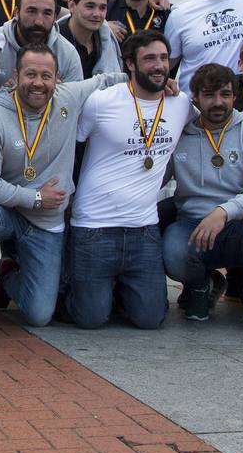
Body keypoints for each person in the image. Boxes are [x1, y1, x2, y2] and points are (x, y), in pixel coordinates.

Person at [0, 45, 125, 338]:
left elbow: (109, 79)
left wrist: (158, 84)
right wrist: (34, 197)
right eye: (30, 74)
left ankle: (10, 275)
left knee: (38, 315)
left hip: (46, 221)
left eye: (46, 76)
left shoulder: (68, 98)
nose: (38, 83)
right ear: (15, 75)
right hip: (6, 212)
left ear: (57, 79)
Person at [68, 31, 192, 330]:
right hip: (94, 228)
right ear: (131, 64)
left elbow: (216, 123)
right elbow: (71, 145)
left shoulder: (182, 104)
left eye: (163, 58)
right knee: (90, 320)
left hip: (144, 230)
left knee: (151, 319)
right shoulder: (101, 102)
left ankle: (121, 292)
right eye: (149, 58)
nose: (159, 65)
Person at [161, 64, 243, 332]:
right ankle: (202, 286)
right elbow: (156, 178)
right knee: (173, 250)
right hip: (194, 223)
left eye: (225, 95)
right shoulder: (180, 134)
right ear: (195, 98)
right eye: (209, 95)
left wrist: (224, 211)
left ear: (234, 96)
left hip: (242, 224)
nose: (218, 103)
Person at [0, 0, 84, 89]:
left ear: (54, 18)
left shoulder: (67, 53)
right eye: (32, 11)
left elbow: (74, 100)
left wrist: (56, 95)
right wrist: (9, 96)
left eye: (47, 13)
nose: (39, 22)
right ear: (16, 13)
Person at [56, 0, 122, 79]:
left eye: (102, 8)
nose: (97, 14)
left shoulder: (107, 41)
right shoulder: (55, 41)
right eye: (90, 6)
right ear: (72, 5)